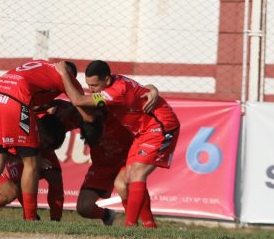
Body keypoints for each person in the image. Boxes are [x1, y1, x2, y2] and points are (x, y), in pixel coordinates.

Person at [55, 60, 180, 228]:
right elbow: (142, 89)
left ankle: (130, 226)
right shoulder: (115, 83)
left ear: (107, 80)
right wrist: (152, 88)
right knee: (122, 183)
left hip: (161, 125)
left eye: (94, 85)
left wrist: (64, 74)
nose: (91, 90)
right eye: (88, 85)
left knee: (136, 175)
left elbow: (79, 100)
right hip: (143, 131)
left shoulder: (114, 93)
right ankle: (149, 226)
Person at [0, 59, 81, 220]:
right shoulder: (64, 75)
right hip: (15, 101)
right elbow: (79, 101)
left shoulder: (41, 68)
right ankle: (30, 218)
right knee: (31, 164)